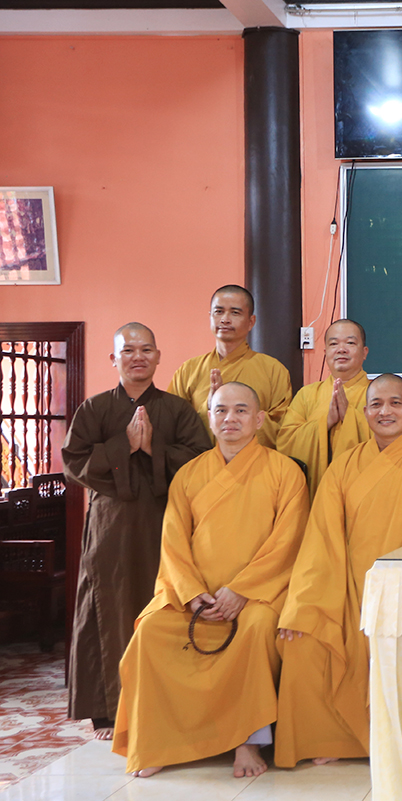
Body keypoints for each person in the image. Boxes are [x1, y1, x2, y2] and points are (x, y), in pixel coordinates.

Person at [112, 382, 309, 779]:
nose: (230, 418)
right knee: (150, 632)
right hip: (195, 596)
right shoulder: (189, 474)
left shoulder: (285, 472)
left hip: (257, 595)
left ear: (259, 419)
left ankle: (247, 742)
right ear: (209, 418)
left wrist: (242, 590)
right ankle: (156, 742)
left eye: (240, 410)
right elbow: (173, 542)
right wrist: (193, 593)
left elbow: (289, 541)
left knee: (255, 629)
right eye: (221, 411)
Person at [275, 374, 402, 767]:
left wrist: (392, 588)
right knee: (304, 641)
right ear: (364, 412)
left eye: (395, 403)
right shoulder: (343, 466)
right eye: (376, 404)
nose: (385, 411)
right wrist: (303, 603)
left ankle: (395, 744)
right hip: (343, 586)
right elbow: (321, 536)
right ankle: (333, 739)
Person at [61, 323, 211, 741]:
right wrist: (123, 447)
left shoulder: (178, 410)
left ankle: (166, 703)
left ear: (158, 357)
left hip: (166, 521)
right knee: (106, 607)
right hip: (112, 524)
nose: (138, 357)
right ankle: (108, 711)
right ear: (114, 359)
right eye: (128, 351)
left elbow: (202, 460)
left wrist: (151, 449)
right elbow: (73, 463)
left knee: (166, 608)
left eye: (146, 349)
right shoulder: (94, 409)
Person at [168, 284, 293, 449]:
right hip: (201, 461)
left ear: (251, 322)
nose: (225, 319)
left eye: (235, 313)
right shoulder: (188, 370)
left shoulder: (273, 370)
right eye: (219, 311)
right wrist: (209, 408)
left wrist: (234, 418)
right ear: (210, 317)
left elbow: (282, 428)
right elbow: (173, 424)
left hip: (255, 462)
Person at [277, 319, 371, 498]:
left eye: (350, 343)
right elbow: (285, 442)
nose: (341, 349)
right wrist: (325, 422)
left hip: (362, 496)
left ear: (364, 352)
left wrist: (349, 416)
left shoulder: (377, 396)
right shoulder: (306, 394)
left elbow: (388, 443)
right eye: (333, 344)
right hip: (314, 495)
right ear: (325, 352)